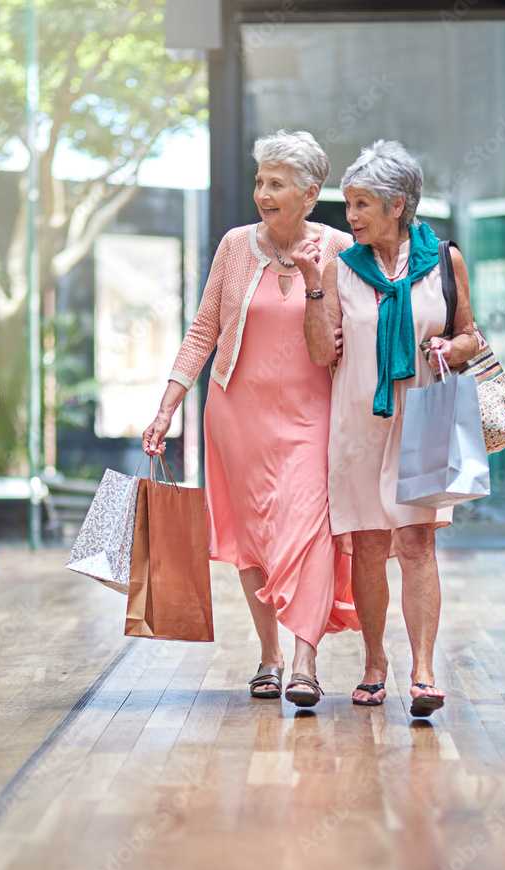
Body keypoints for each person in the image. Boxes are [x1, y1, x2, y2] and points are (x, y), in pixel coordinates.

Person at [142, 129, 359, 708]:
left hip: (313, 415)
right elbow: (202, 330)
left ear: (310, 194)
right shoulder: (237, 245)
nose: (263, 192)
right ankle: (270, 655)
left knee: (311, 528)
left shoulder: (338, 250)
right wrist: (168, 404)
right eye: (260, 181)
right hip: (236, 412)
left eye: (277, 183)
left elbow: (341, 344)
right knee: (253, 537)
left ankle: (306, 660)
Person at [294, 139, 478, 717]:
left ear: (398, 204)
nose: (348, 219)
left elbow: (473, 336)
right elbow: (323, 351)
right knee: (369, 546)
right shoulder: (339, 266)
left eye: (361, 205)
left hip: (423, 418)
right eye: (347, 205)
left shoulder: (445, 260)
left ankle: (423, 672)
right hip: (358, 424)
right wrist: (313, 287)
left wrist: (452, 344)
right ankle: (376, 663)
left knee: (417, 543)